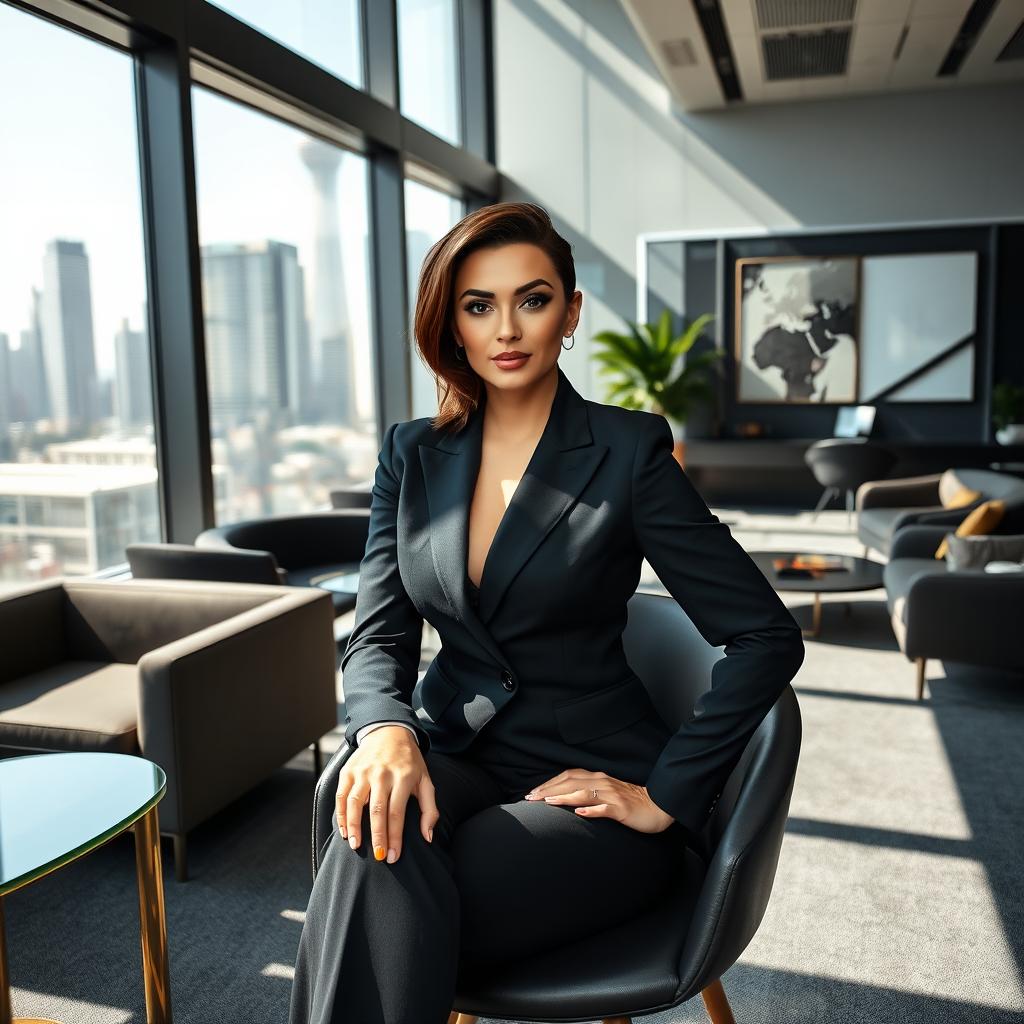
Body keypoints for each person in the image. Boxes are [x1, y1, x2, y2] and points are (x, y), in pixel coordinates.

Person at [288, 202, 805, 1023]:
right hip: (457, 752)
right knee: (374, 830)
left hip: (592, 782)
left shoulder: (627, 452)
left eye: (531, 299)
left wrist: (666, 794)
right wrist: (386, 731)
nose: (506, 328)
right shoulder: (411, 455)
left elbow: (765, 636)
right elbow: (380, 632)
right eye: (478, 304)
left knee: (381, 886)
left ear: (569, 311)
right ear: (451, 323)